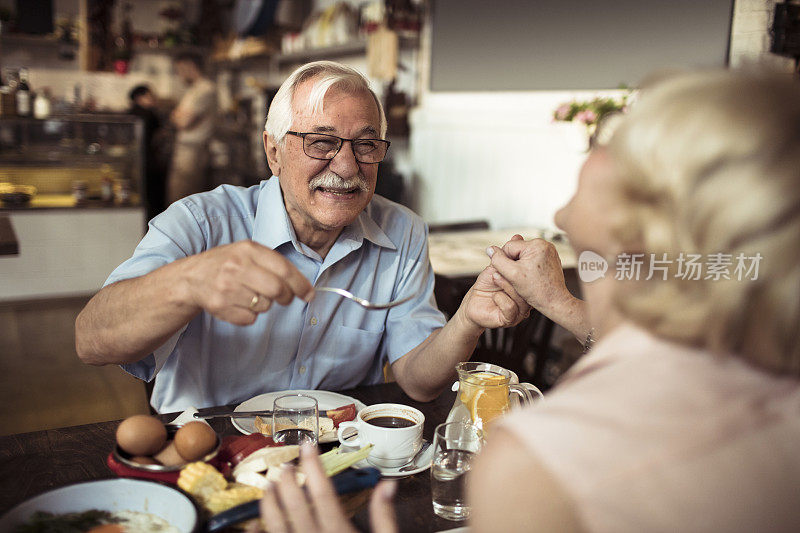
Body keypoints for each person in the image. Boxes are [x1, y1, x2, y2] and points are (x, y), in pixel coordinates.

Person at [254, 70, 800, 531]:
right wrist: (557, 301)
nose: (348, 165)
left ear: (632, 218)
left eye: (615, 141)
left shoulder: (540, 461)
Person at [75, 61, 529, 413]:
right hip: (211, 454)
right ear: (274, 152)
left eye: (366, 145)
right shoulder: (202, 222)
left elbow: (417, 379)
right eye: (321, 142)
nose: (348, 166)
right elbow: (92, 341)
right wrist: (188, 282)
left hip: (339, 456)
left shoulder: (402, 231)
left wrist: (467, 319)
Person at [167, 52, 217, 203]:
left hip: (193, 151)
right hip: (185, 150)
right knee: (176, 196)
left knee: (182, 199)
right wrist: (178, 115)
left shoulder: (206, 89)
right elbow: (177, 117)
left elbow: (183, 122)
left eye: (180, 69)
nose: (179, 74)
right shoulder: (194, 89)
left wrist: (178, 116)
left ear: (190, 66)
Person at [128, 84, 167, 221]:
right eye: (150, 96)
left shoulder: (130, 113)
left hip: (135, 160)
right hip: (150, 161)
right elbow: (161, 135)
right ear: (139, 97)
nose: (153, 99)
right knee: (154, 198)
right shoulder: (150, 114)